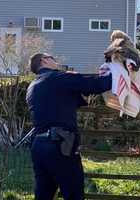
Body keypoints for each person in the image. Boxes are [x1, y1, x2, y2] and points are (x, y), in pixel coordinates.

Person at [26, 53, 112, 200]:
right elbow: (97, 85)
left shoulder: (33, 86)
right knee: (74, 194)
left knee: (43, 194)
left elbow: (70, 101)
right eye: (52, 58)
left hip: (38, 146)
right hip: (60, 145)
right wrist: (117, 73)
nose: (56, 61)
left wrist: (75, 81)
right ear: (44, 60)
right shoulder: (59, 78)